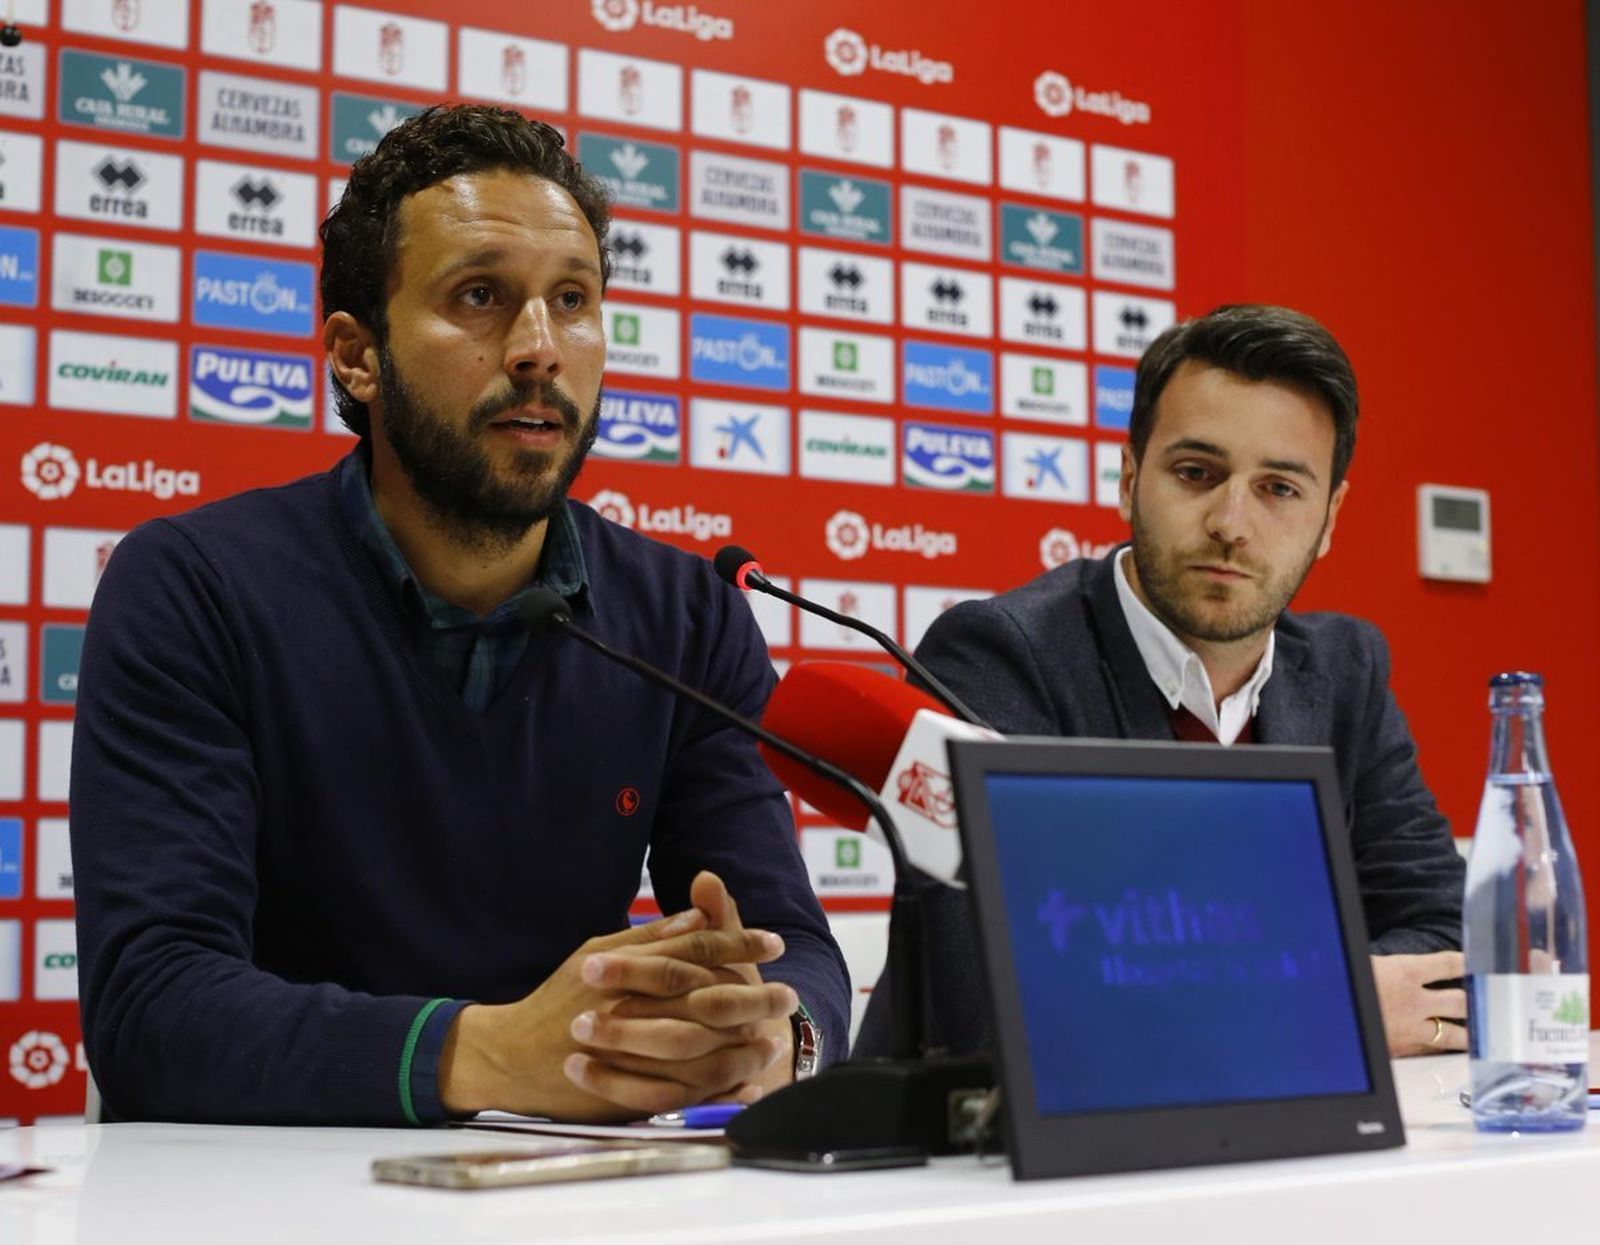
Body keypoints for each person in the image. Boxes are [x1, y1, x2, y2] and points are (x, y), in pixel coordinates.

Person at [70, 105, 848, 1126]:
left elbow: (789, 942)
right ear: (356, 356)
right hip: (260, 1192)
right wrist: (479, 1054)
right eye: (480, 297)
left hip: (567, 1189)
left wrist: (770, 1036)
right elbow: (152, 1007)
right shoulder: (193, 587)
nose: (538, 348)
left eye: (572, 300)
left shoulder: (688, 617)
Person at [858, 304, 1465, 1061]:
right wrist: (1325, 1004)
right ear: (1128, 477)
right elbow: (1003, 1003)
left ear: (1330, 517)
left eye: (1279, 488)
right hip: (983, 1165)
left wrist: (1211, 1003)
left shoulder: (1347, 672)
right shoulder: (995, 658)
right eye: (1196, 473)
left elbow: (1444, 944)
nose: (1232, 523)